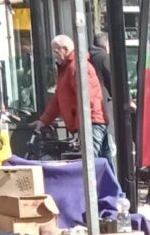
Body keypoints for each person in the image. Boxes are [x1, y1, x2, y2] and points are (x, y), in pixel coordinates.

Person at [43, 33, 110, 163]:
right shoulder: (67, 68)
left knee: (92, 163)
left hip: (91, 122)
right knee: (100, 163)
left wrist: (78, 123)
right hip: (90, 122)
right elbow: (59, 98)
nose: (54, 55)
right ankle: (109, 183)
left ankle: (102, 183)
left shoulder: (76, 67)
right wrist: (44, 120)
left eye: (56, 51)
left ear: (65, 49)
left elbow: (87, 97)